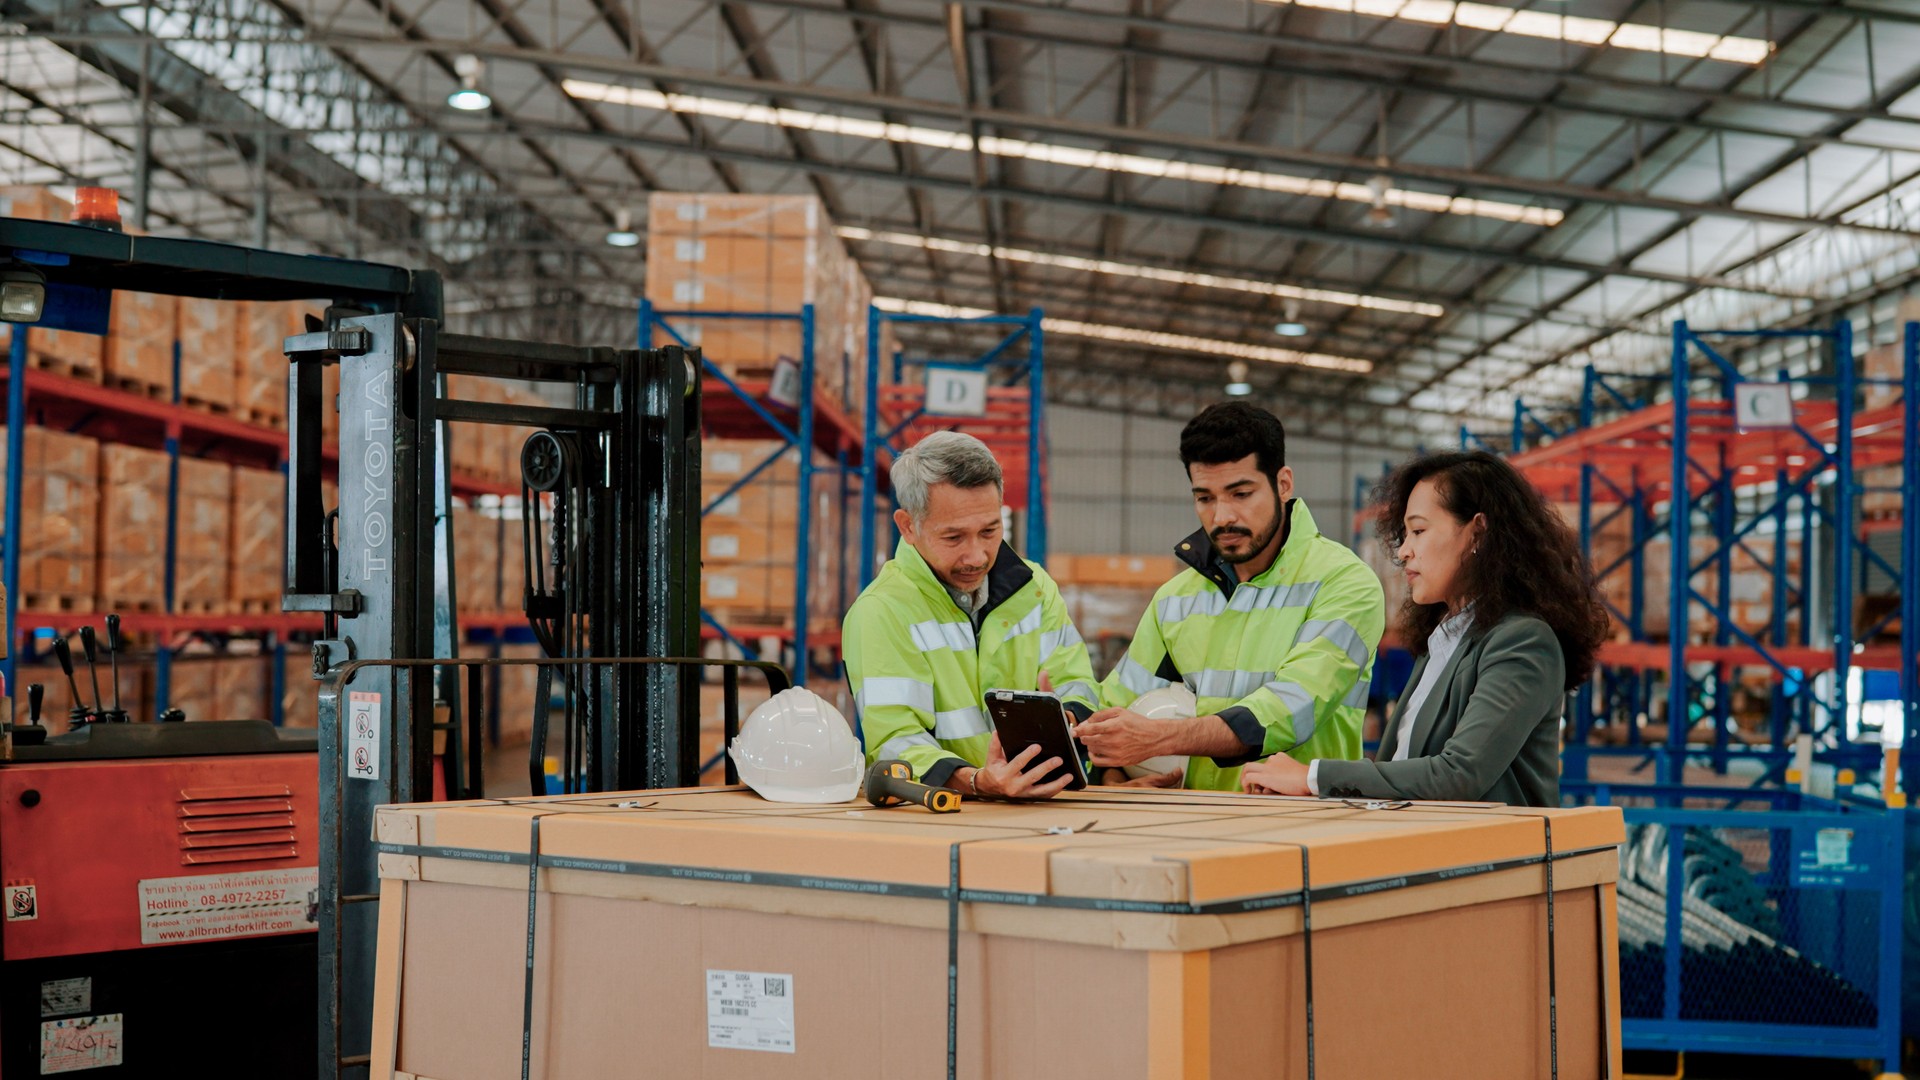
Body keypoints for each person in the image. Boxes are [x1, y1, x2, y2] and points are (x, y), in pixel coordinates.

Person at [1241, 450, 1609, 807]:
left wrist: (1312, 778)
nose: (1403, 551)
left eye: (1418, 530)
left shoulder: (1523, 641)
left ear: (1478, 532)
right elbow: (1403, 768)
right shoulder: (1444, 642)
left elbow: (1460, 773)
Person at [1080, 402, 1385, 791]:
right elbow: (1116, 708)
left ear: (1283, 484)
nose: (1222, 516)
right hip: (1192, 831)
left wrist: (1162, 738)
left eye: (1241, 493)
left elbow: (1290, 709)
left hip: (1305, 828)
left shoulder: (1344, 584)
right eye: (1205, 497)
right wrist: (1113, 777)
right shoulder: (1174, 598)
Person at [843, 432, 1100, 800]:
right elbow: (895, 741)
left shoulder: (1034, 589)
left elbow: (1078, 681)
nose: (977, 556)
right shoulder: (881, 612)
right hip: (940, 819)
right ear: (907, 526)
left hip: (1044, 804)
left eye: (989, 531)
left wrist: (1067, 718)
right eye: (954, 538)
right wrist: (978, 781)